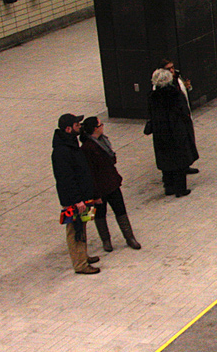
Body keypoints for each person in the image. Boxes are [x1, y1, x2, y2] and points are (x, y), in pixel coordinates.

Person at [80, 117, 140, 252]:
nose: (103, 126)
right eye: (101, 124)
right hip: (100, 188)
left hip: (112, 183)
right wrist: (95, 194)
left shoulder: (103, 141)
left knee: (120, 209)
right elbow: (89, 173)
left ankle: (129, 237)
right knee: (100, 214)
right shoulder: (87, 148)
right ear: (95, 128)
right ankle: (106, 240)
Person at [52, 113, 100, 274]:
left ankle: (83, 255)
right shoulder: (61, 151)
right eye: (76, 125)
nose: (79, 127)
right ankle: (80, 264)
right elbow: (66, 179)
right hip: (74, 200)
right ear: (68, 128)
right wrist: (76, 200)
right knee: (74, 230)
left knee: (83, 225)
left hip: (83, 197)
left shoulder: (71, 144)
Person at [146, 68, 198, 196]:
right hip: (177, 130)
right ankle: (180, 189)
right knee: (179, 157)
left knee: (165, 157)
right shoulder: (175, 94)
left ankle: (168, 186)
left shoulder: (153, 96)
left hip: (160, 132)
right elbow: (183, 112)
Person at [161, 58, 199, 175]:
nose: (172, 70)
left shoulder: (177, 77)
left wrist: (188, 87)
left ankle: (186, 164)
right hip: (175, 120)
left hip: (185, 115)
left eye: (172, 67)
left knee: (188, 140)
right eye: (169, 68)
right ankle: (180, 167)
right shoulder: (162, 85)